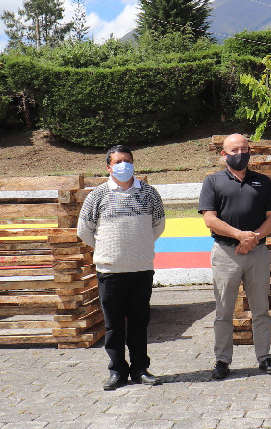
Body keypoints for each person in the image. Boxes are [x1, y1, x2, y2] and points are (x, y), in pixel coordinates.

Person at [77, 145, 166, 390]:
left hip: (141, 269)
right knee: (114, 325)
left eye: (127, 160)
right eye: (117, 162)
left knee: (139, 322)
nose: (123, 165)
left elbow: (158, 225)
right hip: (110, 271)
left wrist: (139, 245)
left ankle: (140, 369)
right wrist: (108, 249)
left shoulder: (149, 193)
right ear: (108, 167)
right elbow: (84, 230)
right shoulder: (97, 195)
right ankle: (117, 371)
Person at [199, 133, 271, 379]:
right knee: (224, 310)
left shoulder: (262, 181)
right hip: (226, 253)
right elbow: (210, 219)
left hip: (257, 252)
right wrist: (239, 236)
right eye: (234, 150)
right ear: (223, 154)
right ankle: (222, 360)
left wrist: (252, 238)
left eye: (244, 149)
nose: (240, 154)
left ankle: (264, 357)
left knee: (261, 309)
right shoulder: (212, 182)